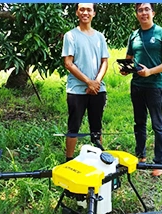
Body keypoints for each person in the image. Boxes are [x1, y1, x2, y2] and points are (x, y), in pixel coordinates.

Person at [121, 2, 162, 176]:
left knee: (157, 125)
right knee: (139, 122)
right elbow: (129, 58)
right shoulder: (134, 35)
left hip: (155, 86)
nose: (143, 13)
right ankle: (140, 155)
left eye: (146, 10)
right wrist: (125, 68)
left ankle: (159, 163)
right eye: (140, 10)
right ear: (136, 14)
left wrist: (150, 72)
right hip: (137, 86)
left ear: (153, 13)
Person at [61, 3, 110, 159]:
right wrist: (88, 82)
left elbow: (105, 62)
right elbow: (68, 63)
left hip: (98, 90)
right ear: (77, 12)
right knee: (73, 127)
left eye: (89, 9)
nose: (85, 12)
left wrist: (96, 82)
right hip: (77, 90)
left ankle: (100, 160)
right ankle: (68, 161)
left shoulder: (100, 37)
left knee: (96, 127)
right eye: (82, 9)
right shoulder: (70, 36)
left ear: (94, 13)